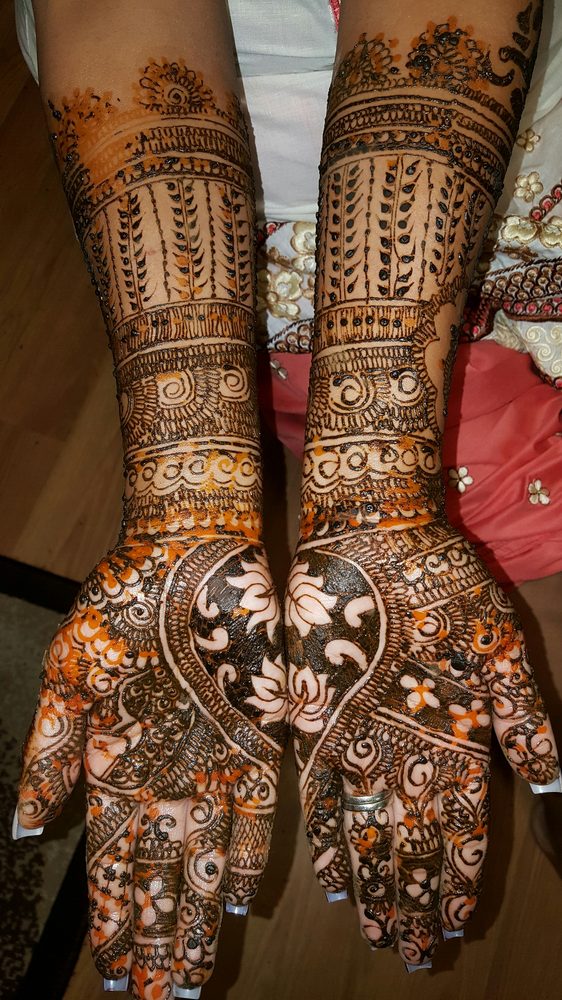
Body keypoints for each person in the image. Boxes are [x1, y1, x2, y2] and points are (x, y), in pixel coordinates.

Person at [12, 1, 561, 998]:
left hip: (512, 131)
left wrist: (375, 480)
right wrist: (189, 491)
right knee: (519, 534)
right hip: (225, 218)